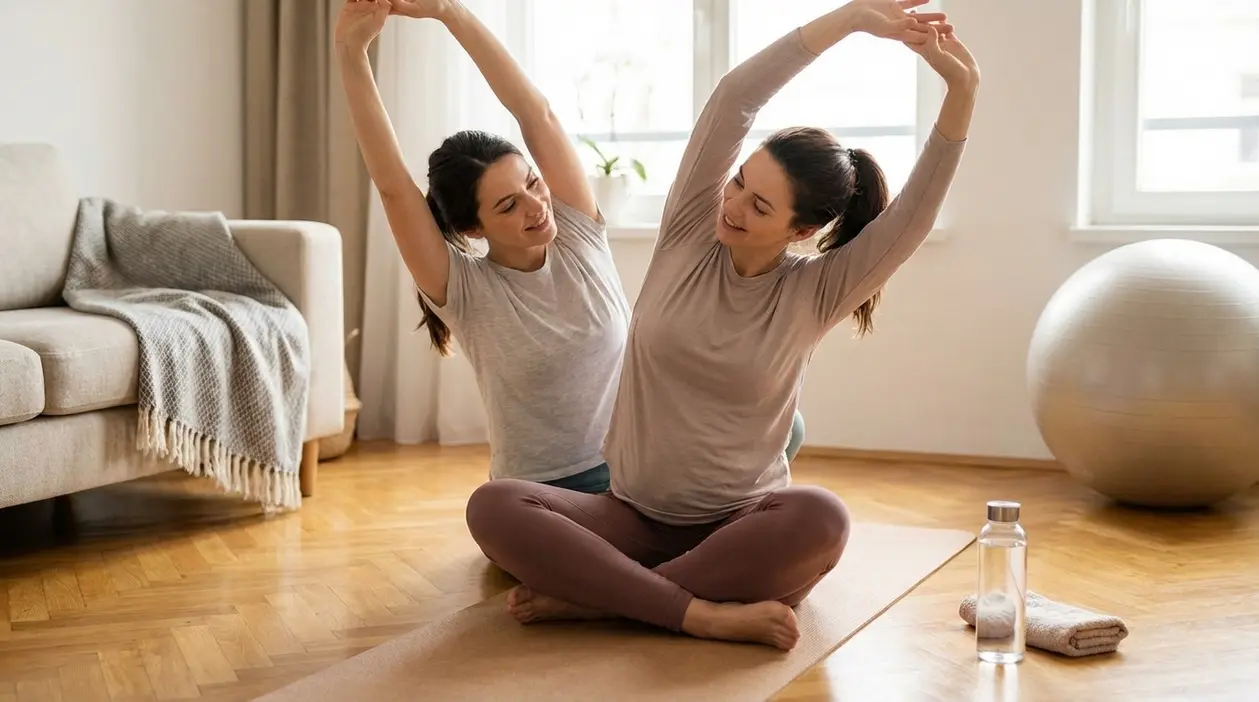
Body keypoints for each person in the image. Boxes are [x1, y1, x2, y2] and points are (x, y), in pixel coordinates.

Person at [464, 0, 978, 651]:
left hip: (741, 527)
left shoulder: (815, 291)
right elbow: (734, 98)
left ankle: (607, 598)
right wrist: (846, 19)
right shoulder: (687, 232)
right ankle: (692, 610)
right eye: (737, 183)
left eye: (757, 205)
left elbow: (913, 215)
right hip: (628, 515)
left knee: (820, 518)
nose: (731, 204)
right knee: (495, 507)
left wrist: (962, 89)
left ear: (801, 230)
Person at [335, 0, 806, 496]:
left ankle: (654, 535)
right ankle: (654, 536)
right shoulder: (464, 289)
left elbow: (534, 113)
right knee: (496, 506)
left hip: (643, 463)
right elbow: (392, 186)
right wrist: (351, 51)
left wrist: (451, 13)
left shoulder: (577, 230)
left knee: (783, 426)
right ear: (474, 229)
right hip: (556, 487)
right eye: (508, 206)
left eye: (533, 184)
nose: (536, 207)